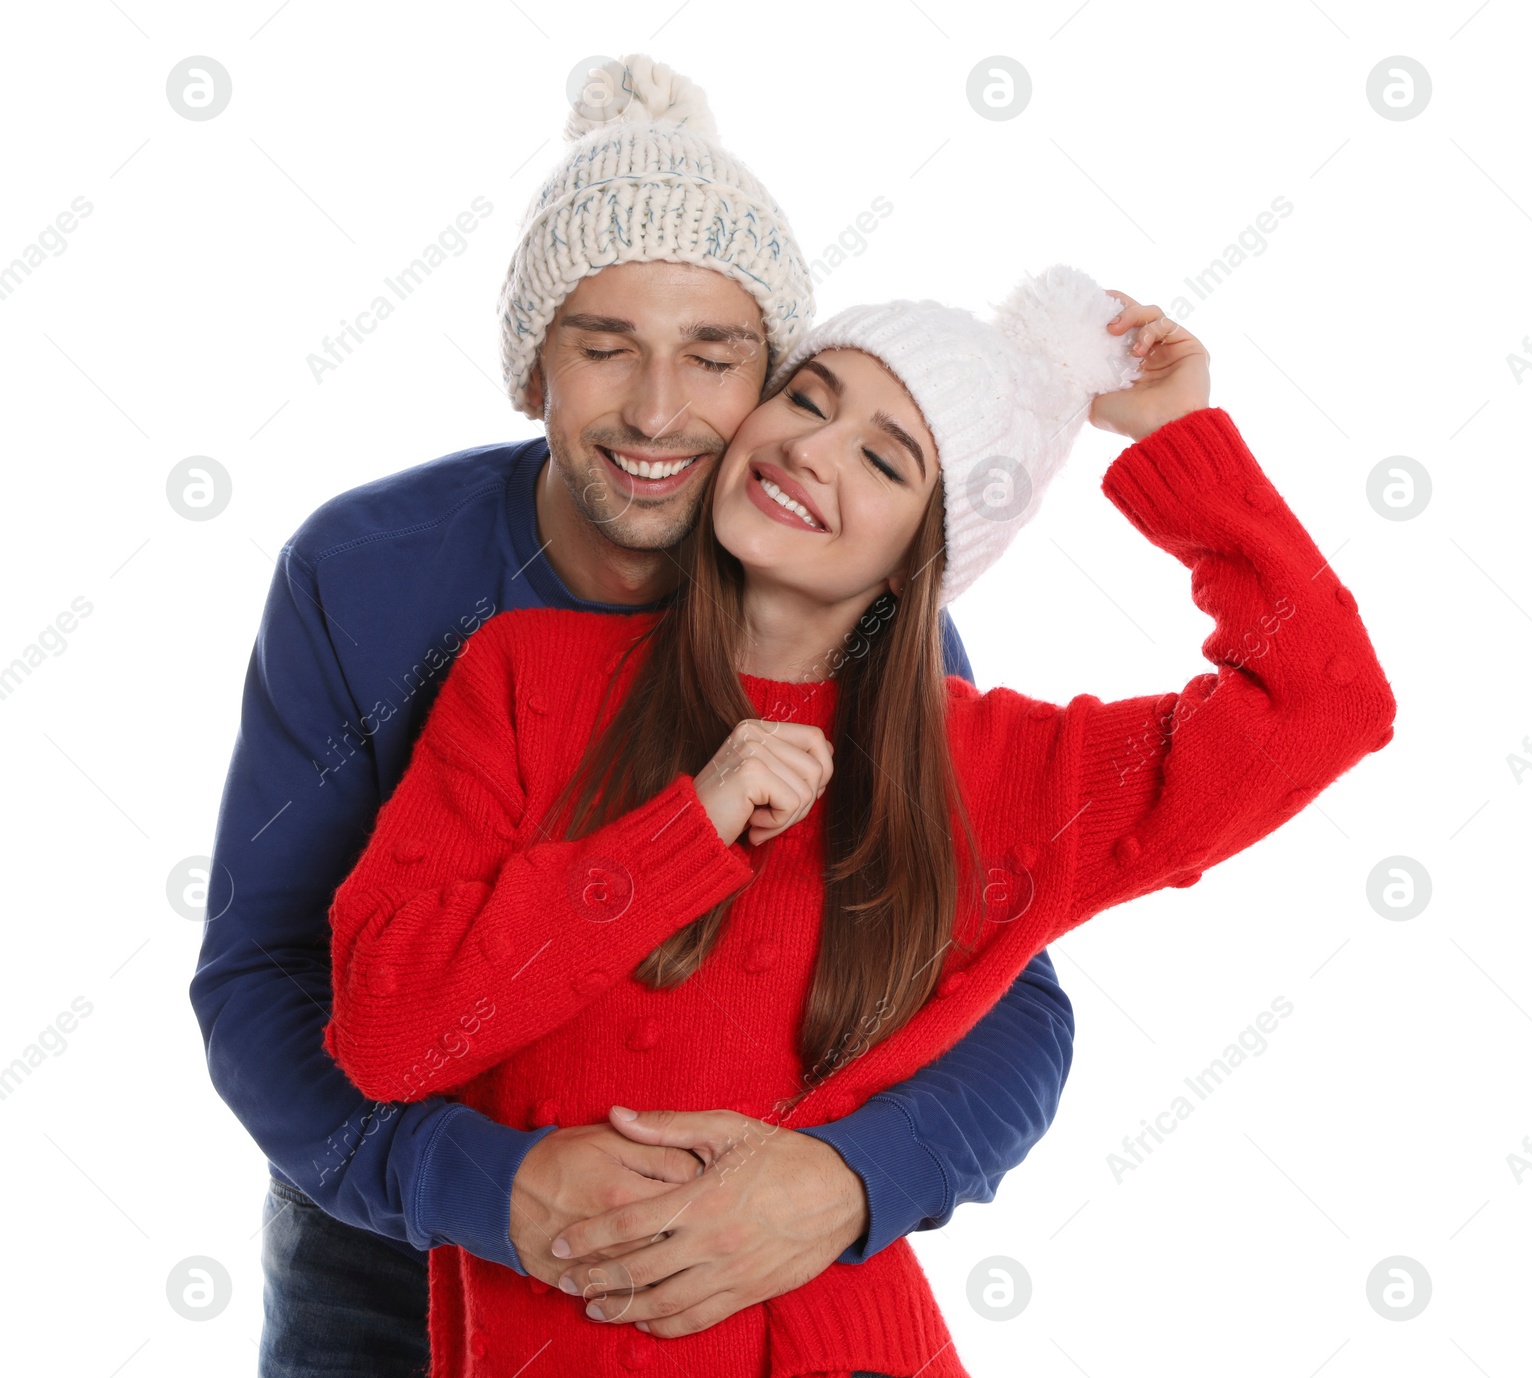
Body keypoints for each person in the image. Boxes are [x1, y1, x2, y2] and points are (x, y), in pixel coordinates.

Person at [320, 257, 1399, 1378]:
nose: (808, 450)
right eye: (805, 399)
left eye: (883, 460)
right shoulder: (523, 671)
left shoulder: (992, 768)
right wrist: (687, 828)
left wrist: (1177, 438)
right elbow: (385, 1031)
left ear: (917, 559)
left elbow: (1326, 702)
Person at [189, 54, 1076, 1378]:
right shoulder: (365, 573)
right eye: (604, 348)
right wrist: (485, 1185)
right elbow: (262, 974)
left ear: (775, 382)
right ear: (532, 366)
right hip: (388, 1239)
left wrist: (844, 1183)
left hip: (745, 1251)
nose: (658, 412)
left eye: (714, 358)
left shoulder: (862, 614)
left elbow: (1012, 998)